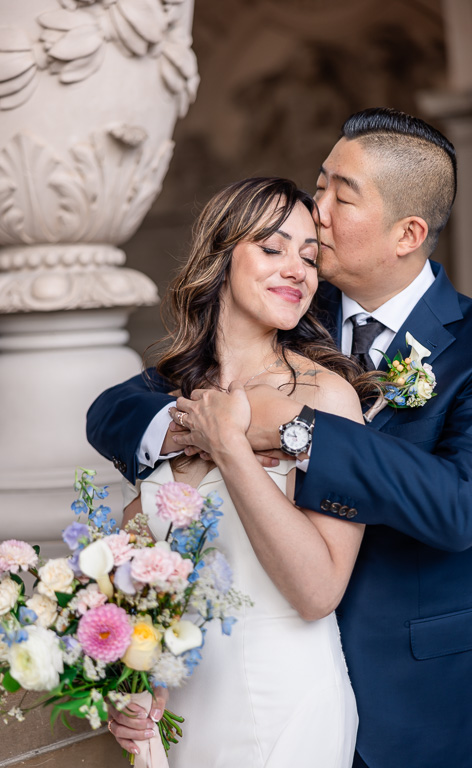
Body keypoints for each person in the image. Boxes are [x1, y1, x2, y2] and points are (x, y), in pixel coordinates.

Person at [87, 109, 472, 768]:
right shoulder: (287, 302)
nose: (314, 215)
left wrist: (285, 431)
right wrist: (183, 429)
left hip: (425, 696)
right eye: (319, 186)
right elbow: (119, 408)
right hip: (231, 675)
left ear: (409, 233)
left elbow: (462, 508)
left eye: (340, 197)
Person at [103, 177, 374, 767]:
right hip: (183, 708)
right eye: (272, 248)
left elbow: (318, 590)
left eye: (310, 256)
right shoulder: (173, 404)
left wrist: (229, 446)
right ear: (221, 257)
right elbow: (131, 565)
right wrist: (126, 678)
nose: (298, 270)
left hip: (282, 696)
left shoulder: (325, 399)